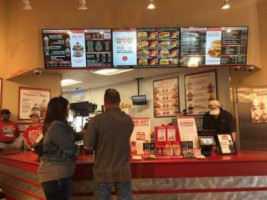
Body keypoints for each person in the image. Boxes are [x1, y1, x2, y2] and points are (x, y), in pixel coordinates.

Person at [83, 89, 134, 200]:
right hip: (123, 172)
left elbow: (87, 146)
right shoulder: (128, 120)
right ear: (119, 101)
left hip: (102, 172)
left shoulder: (96, 121)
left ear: (104, 101)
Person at [37, 96, 77, 200]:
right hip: (55, 174)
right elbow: (69, 149)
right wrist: (79, 147)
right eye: (67, 107)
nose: (68, 109)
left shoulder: (56, 124)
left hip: (57, 173)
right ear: (60, 109)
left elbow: (71, 137)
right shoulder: (56, 125)